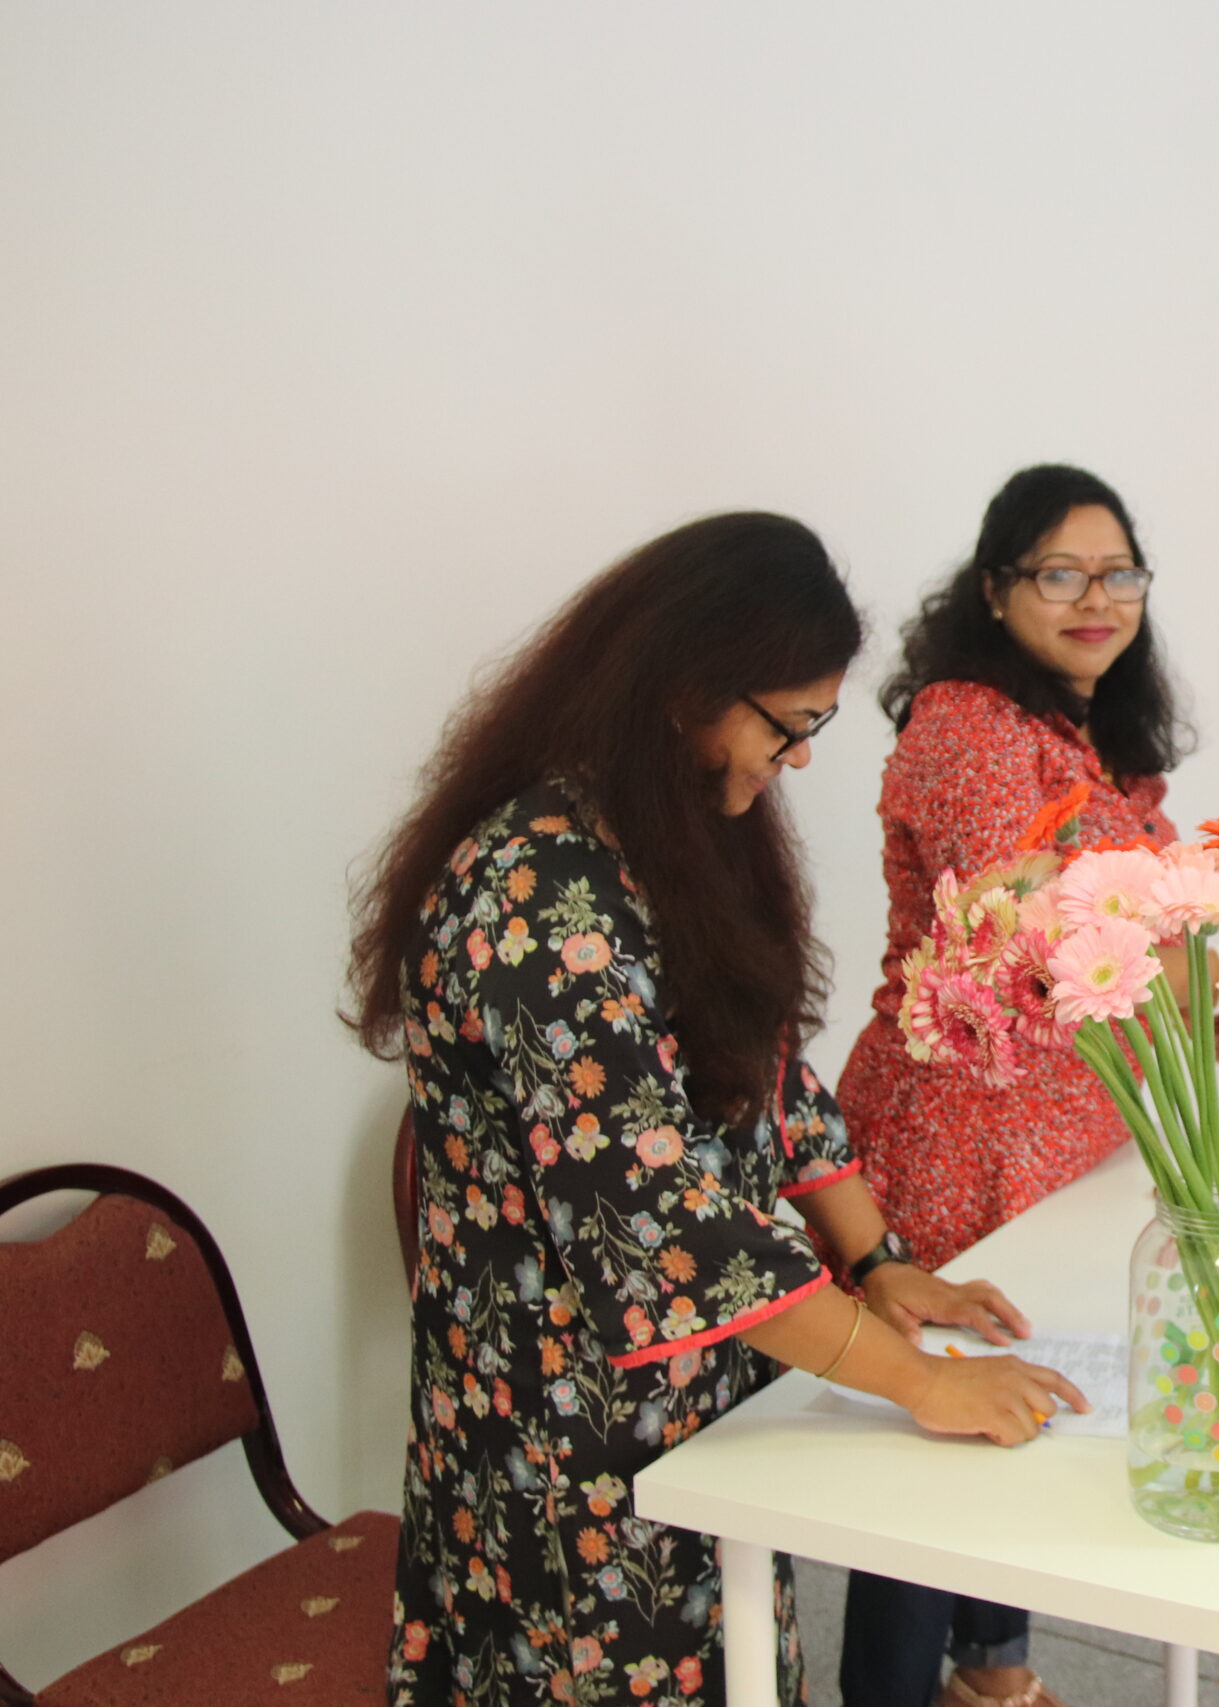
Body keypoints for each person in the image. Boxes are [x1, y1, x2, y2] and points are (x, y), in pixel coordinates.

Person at [348, 511, 1084, 1707]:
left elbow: (763, 1076)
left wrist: (880, 1262)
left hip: (693, 1396)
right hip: (565, 1432)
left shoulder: (666, 831)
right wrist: (921, 1384)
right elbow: (659, 1220)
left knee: (730, 1652)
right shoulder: (535, 894)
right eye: (786, 725)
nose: (795, 760)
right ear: (684, 687)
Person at [833, 464, 1208, 1707]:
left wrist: (1209, 981)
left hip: (1060, 1138)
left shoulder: (1088, 731)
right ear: (996, 590)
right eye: (1061, 573)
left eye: (1118, 573)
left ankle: (993, 1676)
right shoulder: (966, 725)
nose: (1097, 599)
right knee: (929, 1448)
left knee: (1019, 1396)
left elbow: (1148, 924)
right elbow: (1040, 931)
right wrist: (1217, 967)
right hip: (957, 1137)